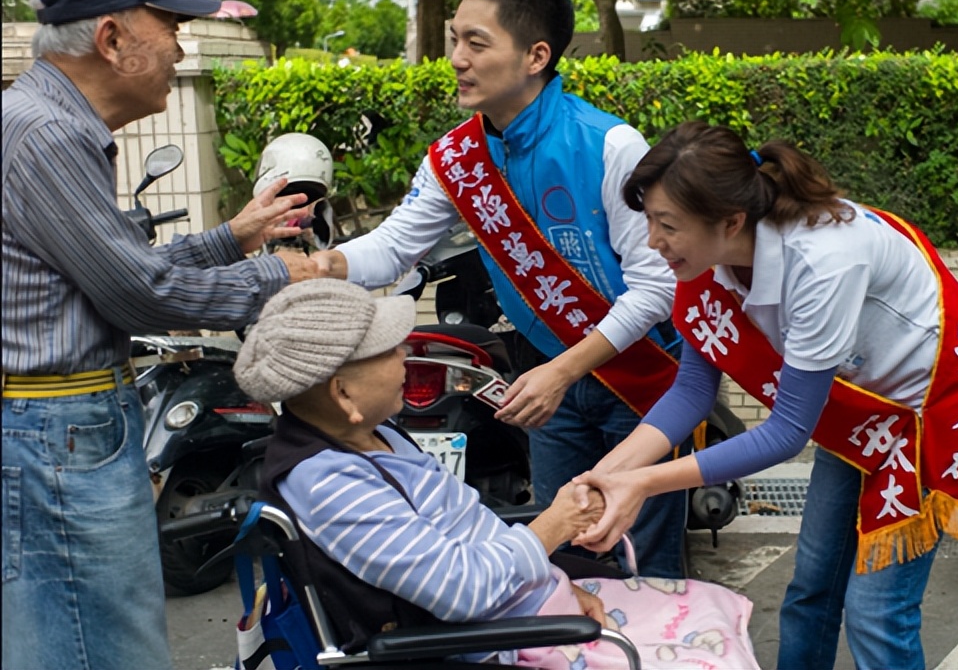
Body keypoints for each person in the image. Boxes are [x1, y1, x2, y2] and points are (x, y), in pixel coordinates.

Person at [571, 121, 958, 670]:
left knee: (876, 614)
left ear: (730, 221)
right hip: (856, 409)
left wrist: (642, 483)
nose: (653, 241)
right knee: (810, 590)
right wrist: (607, 476)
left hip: (923, 407)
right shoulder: (706, 255)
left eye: (666, 224)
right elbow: (692, 391)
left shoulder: (821, 262)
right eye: (649, 220)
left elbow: (787, 432)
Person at [312, 0, 687, 578]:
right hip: (548, 381)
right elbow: (395, 246)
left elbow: (657, 286)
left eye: (477, 43)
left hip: (636, 381)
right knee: (562, 555)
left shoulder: (610, 145)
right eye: (455, 39)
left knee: (647, 564)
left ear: (536, 55)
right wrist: (322, 265)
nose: (457, 58)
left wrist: (563, 371)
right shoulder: (455, 158)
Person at [1, 0, 321, 669]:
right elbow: (140, 293)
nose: (182, 46)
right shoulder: (49, 135)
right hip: (61, 432)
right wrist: (281, 275)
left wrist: (234, 238)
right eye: (171, 26)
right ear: (113, 40)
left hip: (57, 427)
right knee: (105, 647)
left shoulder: (41, 121)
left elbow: (110, 270)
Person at [232, 278, 760, 670]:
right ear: (343, 394)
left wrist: (559, 580)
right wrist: (554, 527)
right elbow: (463, 591)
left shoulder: (377, 436)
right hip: (489, 644)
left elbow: (469, 534)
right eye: (389, 352)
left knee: (706, 606)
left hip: (525, 610)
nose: (405, 357)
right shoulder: (329, 483)